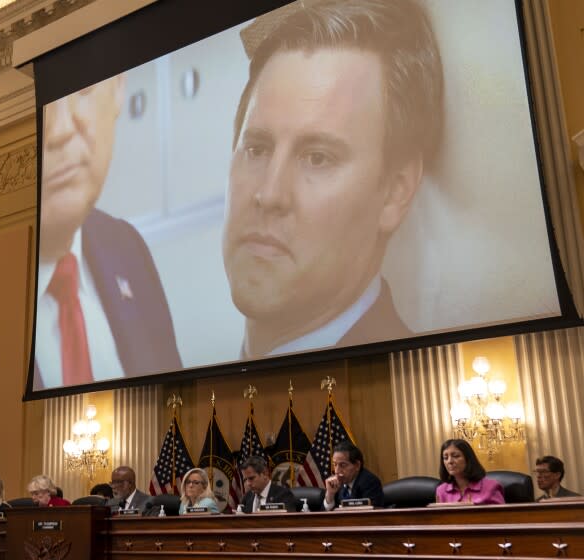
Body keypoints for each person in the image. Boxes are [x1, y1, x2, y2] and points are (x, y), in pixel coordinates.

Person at [222, 0, 444, 357]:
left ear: (395, 192)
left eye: (317, 158)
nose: (269, 193)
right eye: (257, 149)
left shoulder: (419, 381)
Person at [34, 74, 181, 390]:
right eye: (41, 106)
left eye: (83, 86)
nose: (58, 130)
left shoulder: (127, 248)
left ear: (118, 88)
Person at [435, 439, 504, 504]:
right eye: (445, 458)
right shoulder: (441, 490)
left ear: (468, 459)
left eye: (455, 456)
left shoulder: (491, 486)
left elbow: (502, 515)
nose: (449, 461)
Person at [324, 441, 384, 510]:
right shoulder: (336, 484)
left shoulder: (370, 482)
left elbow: (373, 515)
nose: (336, 471)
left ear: (357, 465)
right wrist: (330, 494)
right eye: (335, 465)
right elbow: (323, 518)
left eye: (342, 465)